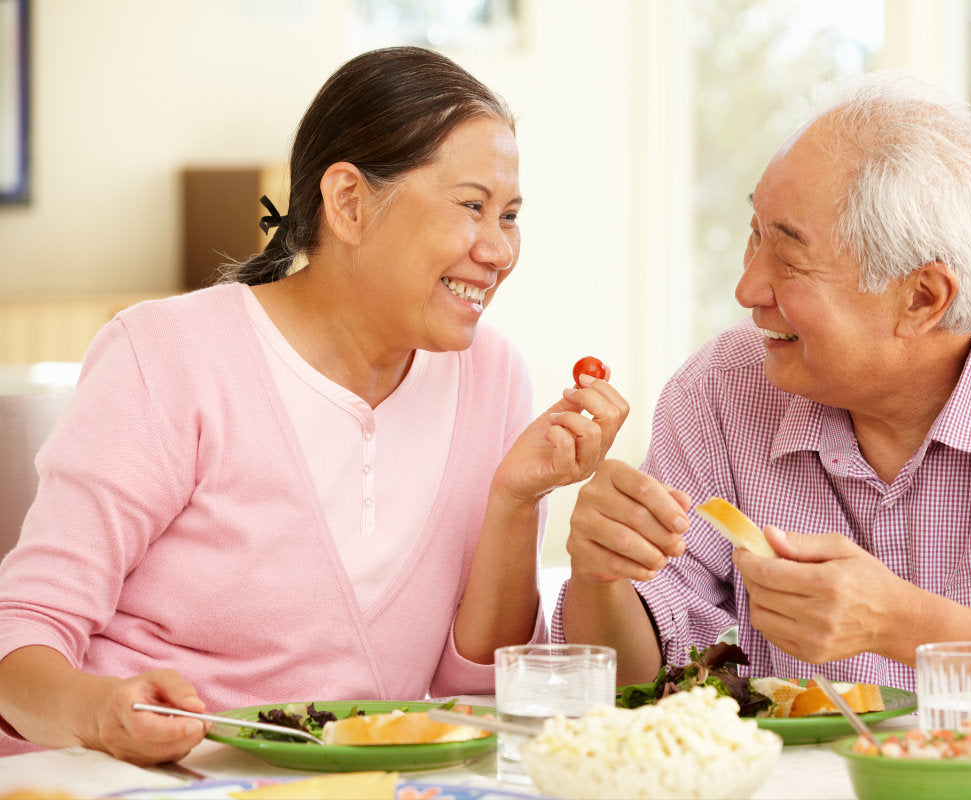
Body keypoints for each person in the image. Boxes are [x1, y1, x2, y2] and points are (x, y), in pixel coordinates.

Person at [0, 47, 628, 764]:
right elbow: (21, 636)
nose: (500, 250)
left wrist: (516, 502)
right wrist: (100, 714)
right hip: (140, 777)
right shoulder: (169, 353)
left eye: (510, 215)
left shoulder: (494, 376)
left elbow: (466, 687)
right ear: (350, 203)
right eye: (471, 207)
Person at [556, 70, 971, 741]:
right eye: (755, 234)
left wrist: (900, 626)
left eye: (789, 256)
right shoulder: (719, 393)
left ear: (923, 298)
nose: (748, 288)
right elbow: (638, 685)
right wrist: (601, 575)